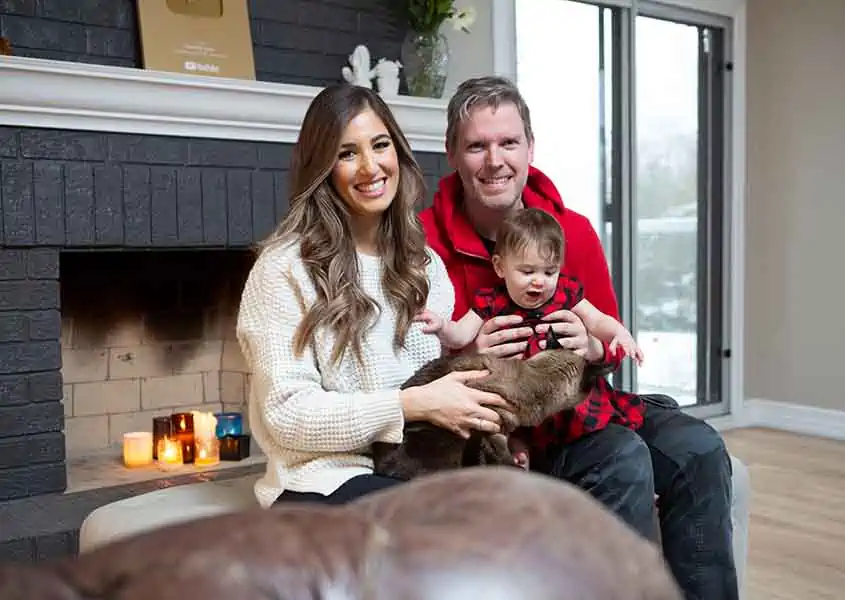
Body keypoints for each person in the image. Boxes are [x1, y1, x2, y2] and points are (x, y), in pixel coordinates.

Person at [420, 75, 739, 600]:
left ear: (530, 148)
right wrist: (468, 351)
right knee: (620, 456)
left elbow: (607, 347)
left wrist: (591, 348)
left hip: (583, 403)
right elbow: (415, 358)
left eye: (508, 142)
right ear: (453, 153)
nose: (494, 160)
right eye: (476, 145)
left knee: (699, 448)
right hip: (501, 422)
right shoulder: (423, 240)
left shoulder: (575, 231)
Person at [235, 83, 512, 508]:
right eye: (347, 154)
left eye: (379, 145)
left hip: (413, 469)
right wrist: (407, 405)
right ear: (323, 168)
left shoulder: (423, 266)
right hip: (319, 481)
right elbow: (286, 418)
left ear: (396, 152)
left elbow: (443, 393)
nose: (370, 167)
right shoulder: (283, 269)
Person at [416, 206, 643, 365]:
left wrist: (619, 333)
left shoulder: (565, 292)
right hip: (515, 386)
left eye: (549, 271)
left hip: (559, 388)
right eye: (527, 271)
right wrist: (442, 327)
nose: (539, 280)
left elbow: (597, 320)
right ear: (500, 267)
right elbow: (460, 335)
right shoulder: (491, 300)